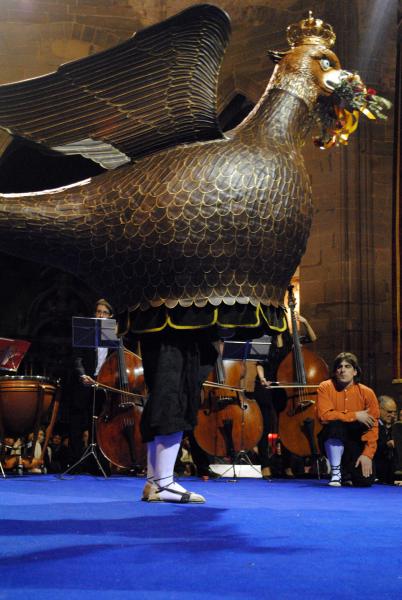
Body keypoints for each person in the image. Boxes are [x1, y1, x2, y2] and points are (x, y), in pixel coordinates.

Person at [254, 313, 317, 478]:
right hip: (266, 385)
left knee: (286, 426)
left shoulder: (291, 340)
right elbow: (259, 364)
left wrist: (305, 322)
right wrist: (262, 379)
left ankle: (288, 465)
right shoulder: (264, 338)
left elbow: (312, 338)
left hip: (285, 387)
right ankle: (265, 465)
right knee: (267, 426)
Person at [316, 352, 380, 487]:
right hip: (332, 435)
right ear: (335, 371)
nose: (343, 370)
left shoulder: (367, 393)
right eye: (339, 367)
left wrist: (367, 454)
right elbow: (324, 416)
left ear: (355, 371)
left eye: (347, 366)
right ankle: (336, 473)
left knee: (364, 481)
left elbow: (373, 427)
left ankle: (346, 471)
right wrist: (355, 415)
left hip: (355, 440)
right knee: (335, 425)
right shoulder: (325, 387)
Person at [70, 298, 115, 466]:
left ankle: (98, 463)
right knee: (77, 421)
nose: (100, 315)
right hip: (84, 381)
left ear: (110, 316)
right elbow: (77, 357)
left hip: (102, 383)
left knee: (98, 423)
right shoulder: (85, 329)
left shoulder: (112, 334)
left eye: (104, 312)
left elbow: (116, 360)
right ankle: (75, 462)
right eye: (98, 312)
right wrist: (82, 375)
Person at [374, 395, 398, 484]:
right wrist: (387, 444)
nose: (392, 415)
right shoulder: (372, 424)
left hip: (389, 475)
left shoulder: (394, 427)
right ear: (378, 409)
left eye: (394, 412)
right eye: (389, 412)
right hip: (375, 471)